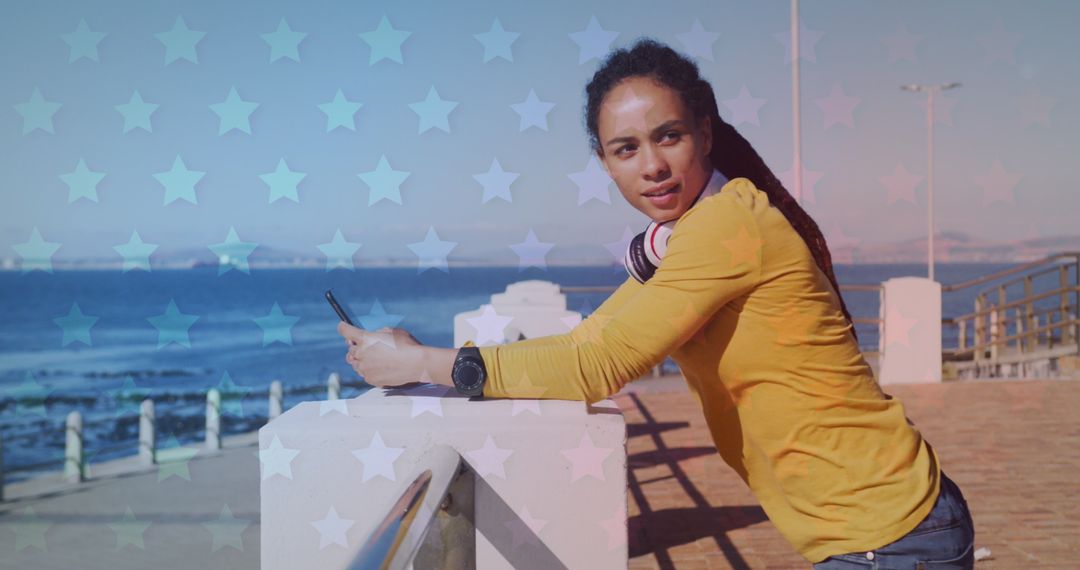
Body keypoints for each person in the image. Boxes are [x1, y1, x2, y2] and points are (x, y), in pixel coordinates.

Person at [338, 38, 975, 568]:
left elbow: (601, 363)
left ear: (705, 131)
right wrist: (419, 351)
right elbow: (593, 337)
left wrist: (424, 366)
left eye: (668, 136)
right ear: (604, 163)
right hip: (878, 527)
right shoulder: (681, 241)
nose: (653, 167)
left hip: (889, 535)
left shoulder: (727, 228)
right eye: (626, 149)